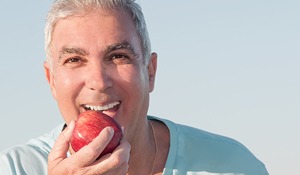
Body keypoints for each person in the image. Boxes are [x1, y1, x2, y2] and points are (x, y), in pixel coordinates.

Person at [0, 0, 269, 174]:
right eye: (74, 60)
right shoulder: (13, 169)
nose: (98, 81)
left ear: (150, 72)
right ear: (52, 81)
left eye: (118, 56)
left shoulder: (232, 165)